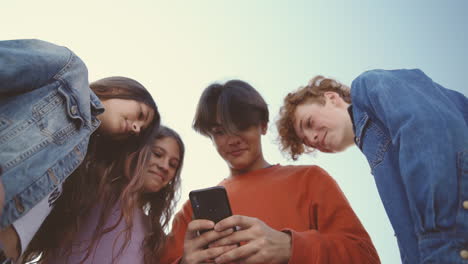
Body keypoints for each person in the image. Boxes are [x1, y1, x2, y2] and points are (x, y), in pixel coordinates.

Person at [160, 80, 380, 264]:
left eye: (242, 125)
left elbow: (365, 256)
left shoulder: (310, 179)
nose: (233, 139)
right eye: (220, 131)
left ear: (263, 125)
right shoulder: (192, 211)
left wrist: (291, 247)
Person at [276, 69, 468, 263]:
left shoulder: (367, 86)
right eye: (307, 142)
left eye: (309, 123)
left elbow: (430, 135)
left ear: (332, 98)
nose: (312, 138)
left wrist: (442, 241)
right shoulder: (374, 146)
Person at [0, 39, 159, 262]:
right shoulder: (68, 70)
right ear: (120, 89)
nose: (135, 128)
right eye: (141, 115)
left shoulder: (81, 162)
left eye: (140, 131)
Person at [20, 125, 184, 264]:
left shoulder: (155, 235)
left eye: (173, 164)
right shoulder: (88, 190)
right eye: (157, 154)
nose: (164, 166)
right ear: (136, 151)